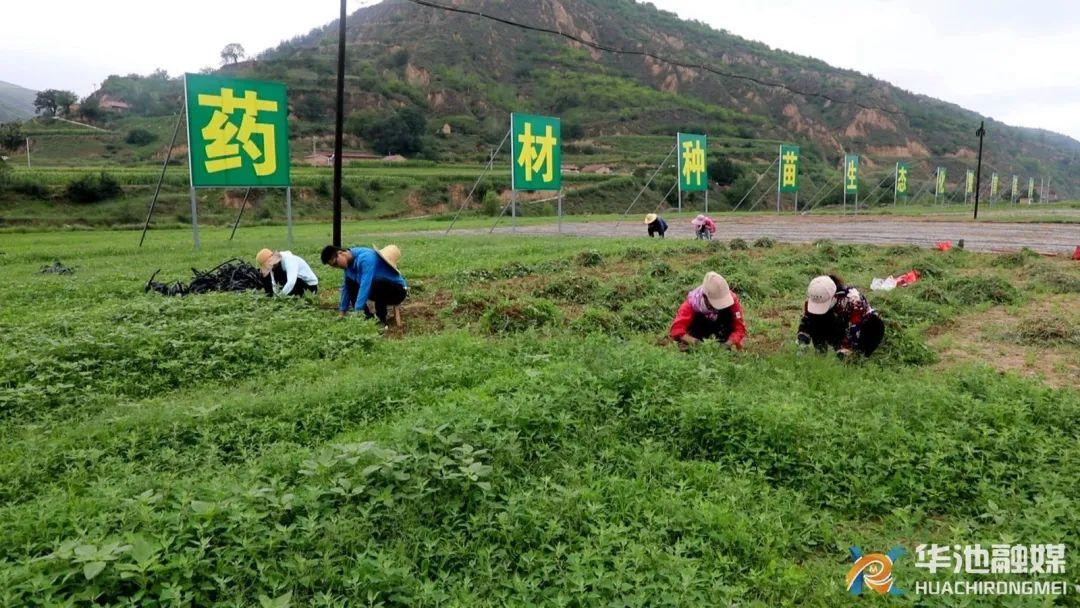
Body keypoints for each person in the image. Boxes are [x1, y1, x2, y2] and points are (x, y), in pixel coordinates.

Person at [797, 275, 885, 359]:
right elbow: (808, 319)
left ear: (834, 296)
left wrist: (844, 350)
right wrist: (802, 340)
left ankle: (857, 357)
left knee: (874, 326)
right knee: (818, 318)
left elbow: (854, 329)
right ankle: (821, 353)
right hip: (838, 323)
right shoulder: (817, 294)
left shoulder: (853, 300)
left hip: (863, 328)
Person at [321, 244, 407, 325]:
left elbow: (365, 284)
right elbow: (346, 289)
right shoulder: (348, 266)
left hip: (397, 292)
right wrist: (342, 313)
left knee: (378, 283)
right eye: (334, 266)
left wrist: (357, 309)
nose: (337, 267)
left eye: (336, 263)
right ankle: (366, 318)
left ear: (340, 253)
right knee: (350, 283)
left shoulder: (366, 258)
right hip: (378, 290)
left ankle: (381, 319)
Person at [669, 272, 747, 350]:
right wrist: (696, 342)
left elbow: (739, 327)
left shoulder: (732, 301)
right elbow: (676, 330)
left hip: (722, 334)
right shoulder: (691, 304)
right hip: (699, 335)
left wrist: (728, 343)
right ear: (705, 297)